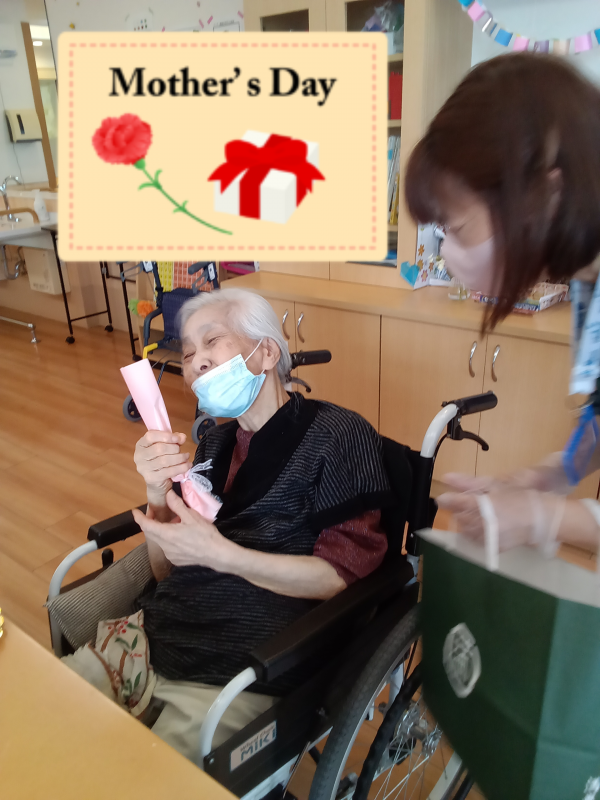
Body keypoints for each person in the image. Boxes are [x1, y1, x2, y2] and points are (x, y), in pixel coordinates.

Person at [63, 287, 393, 761]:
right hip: (149, 639)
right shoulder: (215, 446)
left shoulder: (339, 435)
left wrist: (222, 554)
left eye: (212, 341)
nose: (195, 361)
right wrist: (156, 492)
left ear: (266, 353)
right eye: (187, 352)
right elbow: (165, 573)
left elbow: (341, 578)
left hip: (239, 671)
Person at [404, 52, 600, 555]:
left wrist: (546, 517)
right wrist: (546, 477)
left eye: (457, 228)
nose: (448, 254)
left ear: (548, 194)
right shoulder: (588, 282)